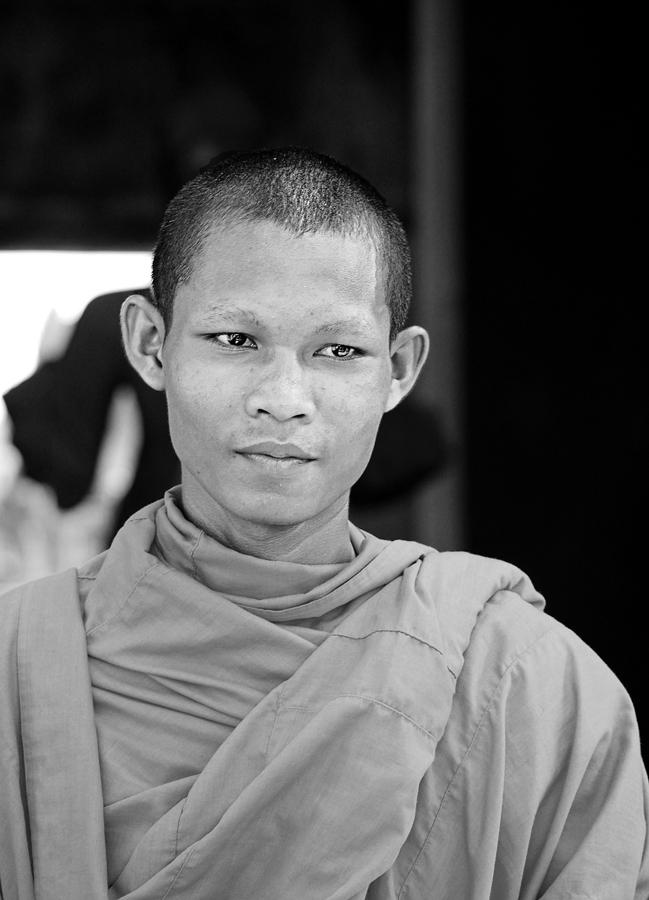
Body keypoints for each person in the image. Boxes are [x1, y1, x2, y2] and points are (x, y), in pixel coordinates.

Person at [0, 148, 646, 900]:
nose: (283, 398)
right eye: (235, 340)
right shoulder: (18, 667)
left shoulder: (533, 685)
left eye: (339, 351)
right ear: (150, 344)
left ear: (397, 372)